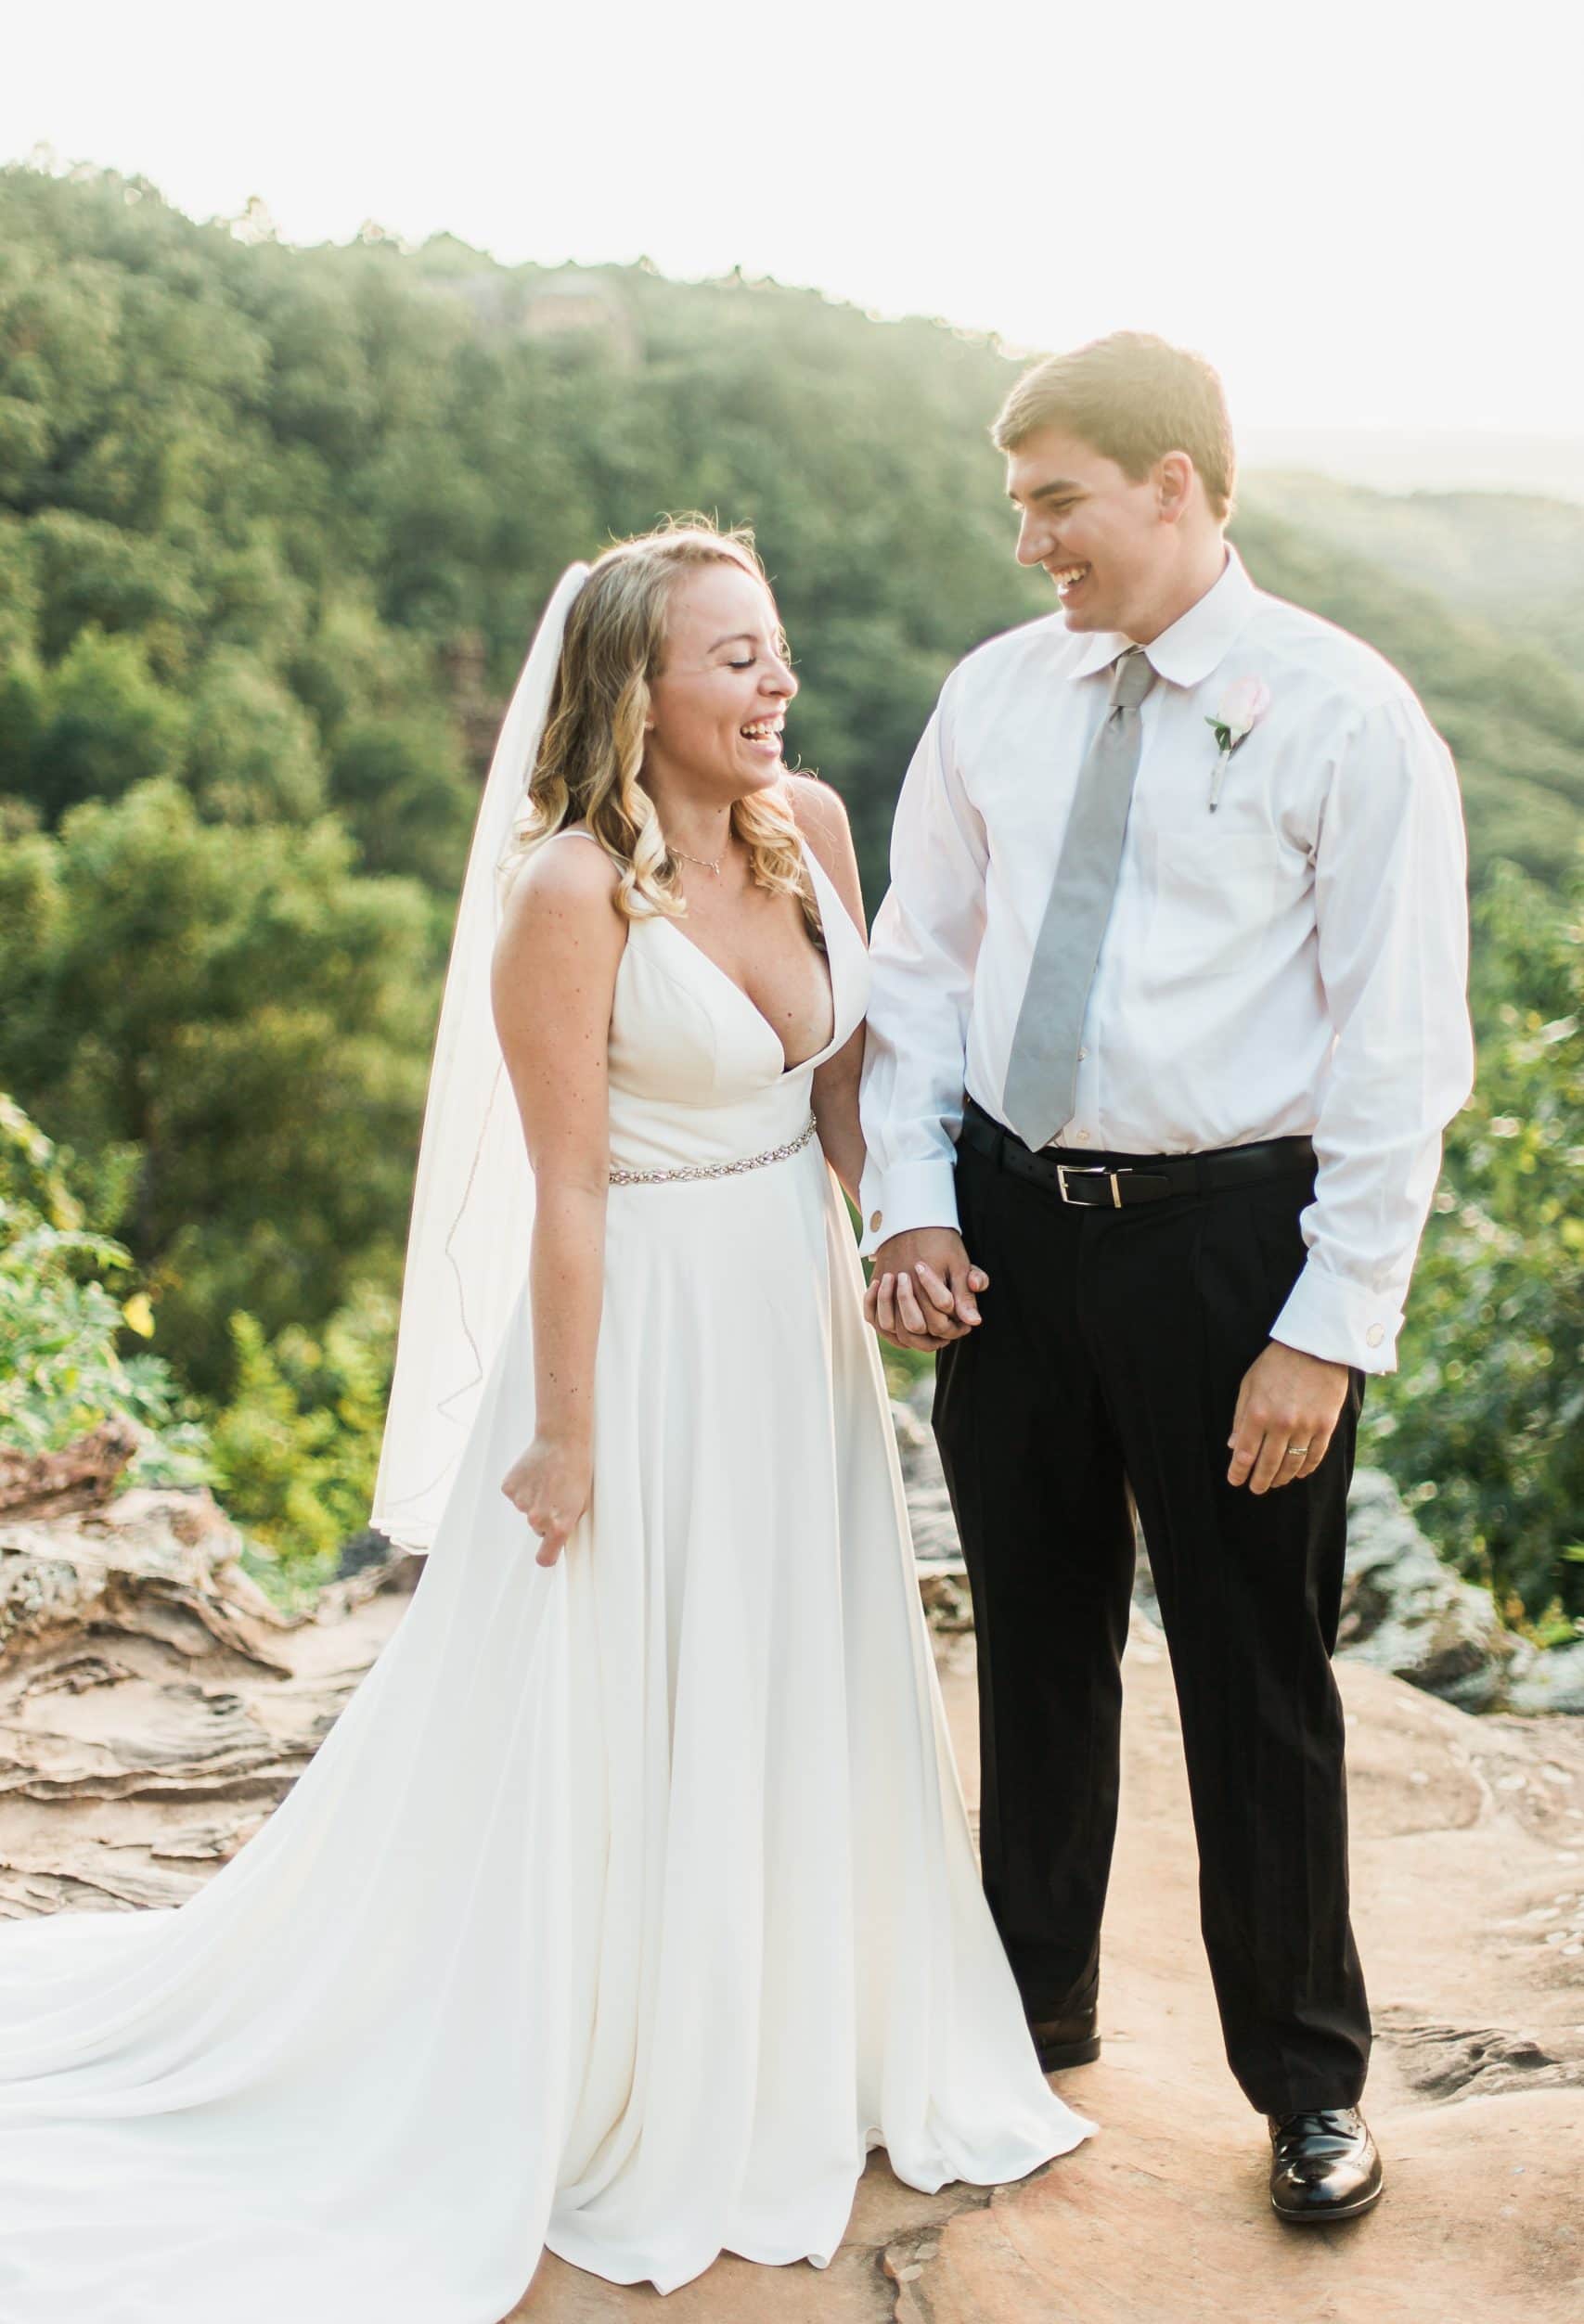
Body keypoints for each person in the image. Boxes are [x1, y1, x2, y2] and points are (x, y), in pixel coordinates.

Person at [0, 521, 1089, 2322]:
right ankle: (619, 2046)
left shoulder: (808, 827)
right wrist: (565, 1433)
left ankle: (788, 2020)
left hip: (787, 1317)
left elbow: (843, 1078)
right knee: (623, 1687)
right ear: (632, 689)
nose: (772, 682)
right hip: (640, 1325)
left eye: (774, 647)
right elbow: (566, 1191)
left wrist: (891, 1235)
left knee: (785, 1662)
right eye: (729, 657)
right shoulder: (568, 893)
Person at [858, 334, 1475, 2225]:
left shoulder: (1342, 716)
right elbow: (915, 970)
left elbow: (1396, 1053)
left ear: (1179, 484)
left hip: (1231, 1249)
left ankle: (1302, 2084)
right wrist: (908, 1199)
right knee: (1032, 1642)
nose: (1031, 539)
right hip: (1008, 1231)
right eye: (1020, 503)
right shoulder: (992, 697)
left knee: (1251, 1669)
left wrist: (1321, 1325)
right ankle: (1023, 2027)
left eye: (1057, 498)